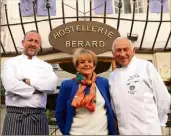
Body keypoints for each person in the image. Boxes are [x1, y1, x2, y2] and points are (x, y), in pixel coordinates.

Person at [109, 37, 171, 135]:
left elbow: (163, 98)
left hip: (148, 131)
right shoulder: (113, 76)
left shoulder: (146, 66)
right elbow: (114, 105)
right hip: (125, 131)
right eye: (118, 50)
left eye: (126, 49)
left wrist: (155, 121)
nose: (122, 54)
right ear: (113, 54)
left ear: (133, 51)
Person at [1, 30, 58, 135]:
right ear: (23, 43)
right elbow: (10, 85)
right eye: (30, 40)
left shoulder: (46, 66)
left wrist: (28, 81)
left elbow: (51, 86)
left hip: (37, 117)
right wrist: (39, 89)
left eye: (36, 41)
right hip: (14, 116)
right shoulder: (10, 63)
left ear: (39, 45)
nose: (33, 44)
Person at [55, 48, 117, 135]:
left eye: (89, 61)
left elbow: (110, 108)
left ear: (94, 65)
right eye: (82, 62)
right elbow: (60, 113)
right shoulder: (67, 85)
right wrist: (66, 132)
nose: (86, 64)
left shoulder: (103, 83)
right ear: (77, 66)